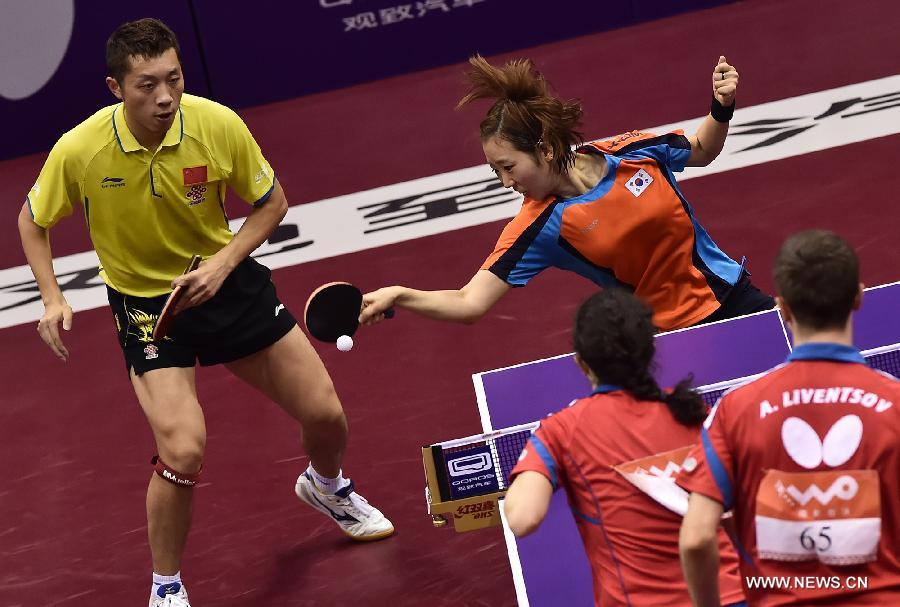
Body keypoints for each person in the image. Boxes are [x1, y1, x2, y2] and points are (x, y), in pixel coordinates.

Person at [17, 18, 393, 607]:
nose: (165, 96)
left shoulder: (216, 124)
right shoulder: (81, 149)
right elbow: (33, 221)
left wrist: (223, 263)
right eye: (146, 85)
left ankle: (326, 488)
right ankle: (166, 586)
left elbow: (272, 202)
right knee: (184, 449)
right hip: (147, 307)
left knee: (327, 417)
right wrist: (52, 295)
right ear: (116, 88)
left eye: (173, 78)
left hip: (225, 283)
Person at [359, 54, 773, 333]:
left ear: (545, 149)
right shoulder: (538, 226)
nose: (506, 182)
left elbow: (701, 150)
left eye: (508, 167)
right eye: (495, 171)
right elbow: (470, 302)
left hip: (736, 297)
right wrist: (401, 294)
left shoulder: (630, 153)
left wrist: (721, 106)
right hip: (672, 339)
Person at [678, 230, 900, 606]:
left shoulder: (736, 410)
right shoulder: (894, 403)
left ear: (782, 308)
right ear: (858, 298)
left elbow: (697, 538)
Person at [504, 288, 746, 606]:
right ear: (649, 349)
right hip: (731, 596)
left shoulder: (561, 431)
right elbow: (734, 514)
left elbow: (523, 518)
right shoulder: (693, 411)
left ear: (582, 363)